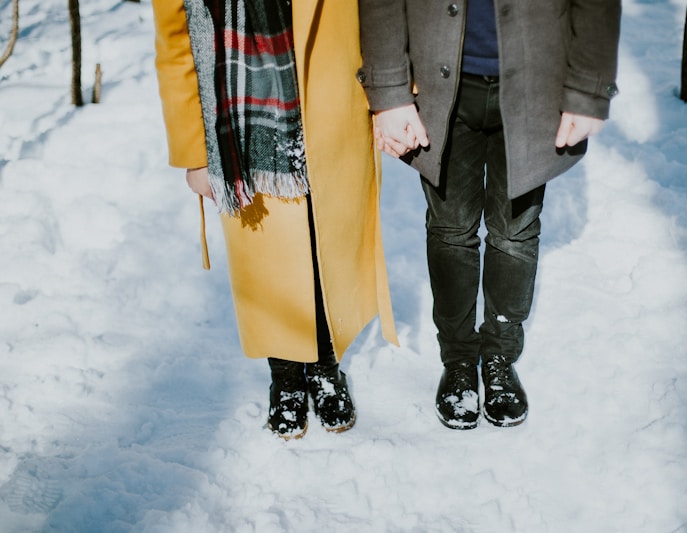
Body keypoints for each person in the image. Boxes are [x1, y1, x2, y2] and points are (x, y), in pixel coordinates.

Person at [358, 0, 620, 429]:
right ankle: (459, 360)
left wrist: (589, 88)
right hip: (440, 84)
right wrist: (388, 91)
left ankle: (499, 354)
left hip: (538, 84)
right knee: (450, 230)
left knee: (515, 231)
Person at [152, 0, 397, 440]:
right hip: (240, 116)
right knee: (270, 255)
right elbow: (174, 42)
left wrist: (392, 94)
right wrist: (193, 152)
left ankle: (325, 364)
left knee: (323, 240)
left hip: (331, 102)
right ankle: (285, 376)